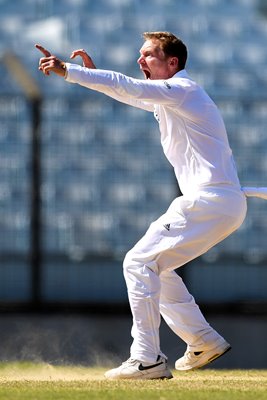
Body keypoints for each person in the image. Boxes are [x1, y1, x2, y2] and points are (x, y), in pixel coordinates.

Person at [36, 32, 266, 380]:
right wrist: (90, 76)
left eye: (148, 55)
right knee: (158, 269)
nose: (140, 61)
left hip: (210, 199)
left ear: (172, 63)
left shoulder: (183, 90)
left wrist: (68, 70)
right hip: (222, 203)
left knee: (137, 263)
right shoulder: (172, 98)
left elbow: (126, 85)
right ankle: (202, 340)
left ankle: (147, 359)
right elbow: (129, 92)